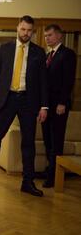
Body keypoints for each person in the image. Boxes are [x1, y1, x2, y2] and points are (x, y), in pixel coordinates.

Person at [0, 15, 48, 197]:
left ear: (32, 31)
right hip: (7, 99)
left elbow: (43, 82)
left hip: (28, 101)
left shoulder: (38, 52)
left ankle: (28, 182)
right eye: (23, 29)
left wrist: (44, 107)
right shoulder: (5, 49)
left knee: (28, 142)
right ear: (17, 28)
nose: (26, 33)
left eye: (29, 30)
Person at [41, 24, 77, 188]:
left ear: (59, 36)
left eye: (50, 35)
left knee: (56, 140)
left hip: (59, 106)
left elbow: (68, 81)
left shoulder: (67, 54)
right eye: (46, 35)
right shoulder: (49, 55)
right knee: (47, 139)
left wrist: (62, 102)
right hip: (47, 106)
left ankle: (54, 176)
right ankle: (50, 168)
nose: (47, 38)